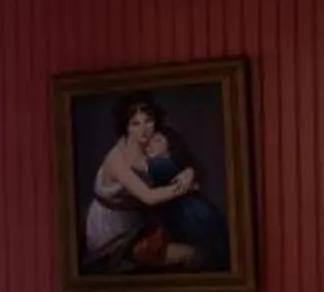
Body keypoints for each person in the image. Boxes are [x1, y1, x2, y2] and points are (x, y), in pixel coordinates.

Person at [84, 94, 228, 271]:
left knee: (203, 222)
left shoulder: (155, 142)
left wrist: (189, 172)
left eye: (148, 121)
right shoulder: (117, 159)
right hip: (113, 229)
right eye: (135, 123)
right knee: (189, 253)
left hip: (140, 219)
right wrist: (184, 187)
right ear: (126, 127)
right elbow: (149, 197)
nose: (144, 129)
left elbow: (185, 159)